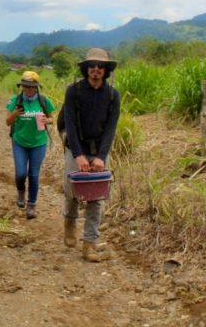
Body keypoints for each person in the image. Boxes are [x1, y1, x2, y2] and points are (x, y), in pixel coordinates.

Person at [61, 48, 120, 262]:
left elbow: (110, 129)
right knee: (71, 192)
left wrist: (101, 157)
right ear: (87, 68)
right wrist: (79, 155)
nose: (96, 69)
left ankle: (89, 244)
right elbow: (70, 124)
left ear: (105, 70)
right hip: (75, 148)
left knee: (97, 197)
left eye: (100, 66)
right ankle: (69, 221)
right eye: (92, 65)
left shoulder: (113, 95)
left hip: (99, 152)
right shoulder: (74, 91)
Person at [5, 71, 55, 219]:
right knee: (21, 173)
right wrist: (14, 114)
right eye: (25, 86)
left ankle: (31, 205)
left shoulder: (44, 100)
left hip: (39, 143)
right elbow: (7, 122)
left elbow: (52, 118)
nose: (28, 89)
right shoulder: (15, 100)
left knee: (34, 174)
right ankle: (21, 191)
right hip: (19, 141)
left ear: (36, 88)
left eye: (31, 87)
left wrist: (48, 120)